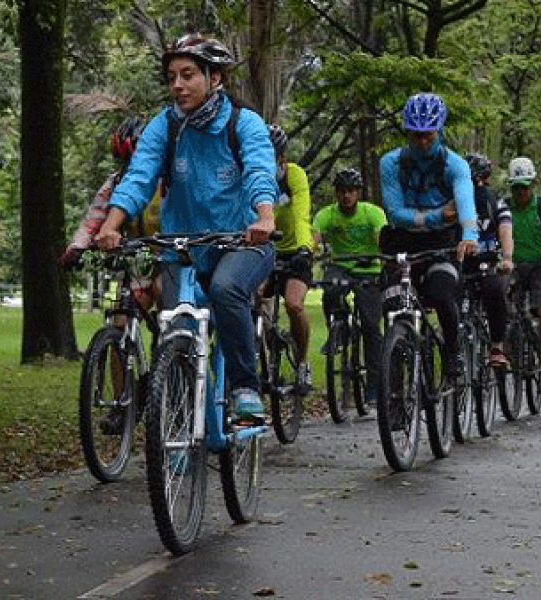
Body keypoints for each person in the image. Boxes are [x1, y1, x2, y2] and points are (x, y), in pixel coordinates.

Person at [95, 33, 278, 423]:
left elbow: (261, 172)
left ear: (215, 78)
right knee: (176, 330)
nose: (177, 85)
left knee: (228, 290)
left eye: (188, 75)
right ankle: (180, 423)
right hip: (182, 248)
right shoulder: (166, 125)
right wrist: (111, 226)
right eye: (172, 76)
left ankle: (245, 389)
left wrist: (264, 217)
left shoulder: (244, 123)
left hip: (243, 242)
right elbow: (139, 177)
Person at [378, 92, 478, 381]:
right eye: (416, 135)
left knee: (441, 294)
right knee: (394, 305)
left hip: (442, 243)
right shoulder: (391, 163)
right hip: (402, 242)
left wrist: (469, 235)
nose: (422, 142)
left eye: (428, 135)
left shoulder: (455, 165)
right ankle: (394, 385)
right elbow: (396, 213)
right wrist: (435, 216)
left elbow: (464, 204)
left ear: (440, 130)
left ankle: (453, 351)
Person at [59, 116, 161, 310]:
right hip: (136, 261)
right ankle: (119, 339)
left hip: (167, 256)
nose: (130, 170)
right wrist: (76, 248)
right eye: (124, 163)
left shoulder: (167, 182)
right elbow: (94, 218)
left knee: (164, 293)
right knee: (122, 312)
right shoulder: (115, 183)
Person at [312, 167, 386, 408]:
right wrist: (309, 253)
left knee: (370, 325)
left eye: (351, 191)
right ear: (336, 194)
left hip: (368, 268)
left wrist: (381, 258)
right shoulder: (327, 215)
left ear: (358, 193)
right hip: (340, 265)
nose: (346, 196)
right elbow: (314, 238)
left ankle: (374, 385)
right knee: (330, 288)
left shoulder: (372, 214)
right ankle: (338, 330)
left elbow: (381, 241)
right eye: (342, 192)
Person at [505, 156, 541, 394]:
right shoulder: (504, 207)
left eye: (525, 186)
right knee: (505, 310)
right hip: (513, 266)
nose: (521, 192)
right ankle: (508, 352)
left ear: (533, 185)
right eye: (516, 187)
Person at [267, 124, 313, 393]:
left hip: (295, 249)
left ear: (281, 157)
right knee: (251, 302)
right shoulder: (249, 175)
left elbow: (301, 213)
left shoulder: (294, 176)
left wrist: (306, 247)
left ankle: (303, 362)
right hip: (265, 249)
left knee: (294, 305)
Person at [463, 153, 513, 368]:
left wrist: (507, 258)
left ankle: (496, 347)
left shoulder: (494, 201)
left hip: (488, 261)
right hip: (462, 263)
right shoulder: (454, 202)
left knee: (495, 290)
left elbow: (505, 230)